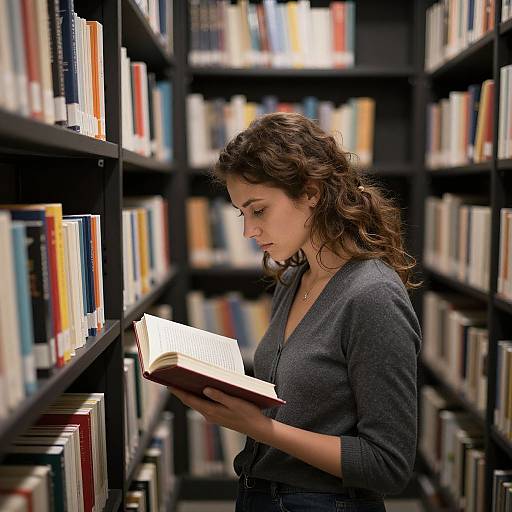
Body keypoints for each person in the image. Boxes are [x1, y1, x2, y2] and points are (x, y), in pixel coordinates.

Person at [170, 112, 422, 512]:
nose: (248, 231)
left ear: (311, 192)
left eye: (258, 210)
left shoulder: (372, 296)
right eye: (242, 213)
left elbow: (387, 465)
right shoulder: (293, 280)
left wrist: (259, 428)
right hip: (258, 494)